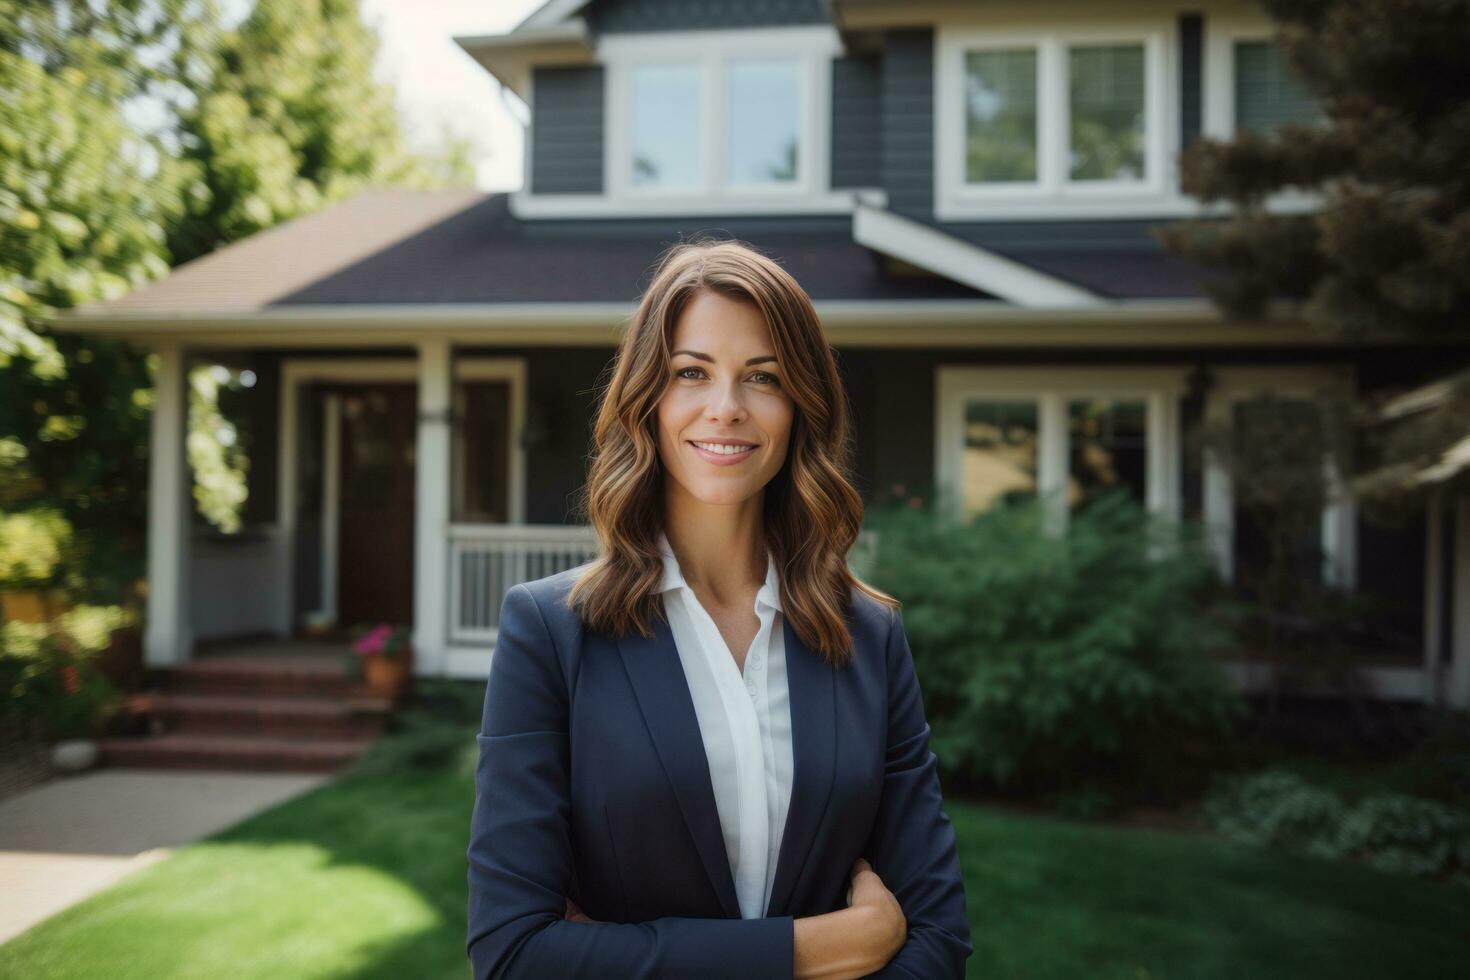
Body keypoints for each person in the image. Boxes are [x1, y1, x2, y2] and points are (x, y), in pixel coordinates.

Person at [466, 238, 972, 979]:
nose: (726, 408)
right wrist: (807, 953)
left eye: (762, 377)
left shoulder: (869, 637)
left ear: (801, 405)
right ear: (648, 397)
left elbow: (937, 938)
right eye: (691, 373)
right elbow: (514, 954)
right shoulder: (550, 633)